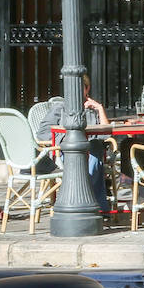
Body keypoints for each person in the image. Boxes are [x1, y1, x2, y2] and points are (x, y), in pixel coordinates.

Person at [35, 74, 110, 213]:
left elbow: (106, 133)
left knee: (95, 146)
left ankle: (91, 203)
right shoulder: (60, 107)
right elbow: (43, 132)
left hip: (92, 149)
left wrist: (100, 108)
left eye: (79, 88)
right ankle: (95, 205)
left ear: (87, 89)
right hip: (67, 151)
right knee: (94, 151)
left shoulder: (92, 108)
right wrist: (67, 138)